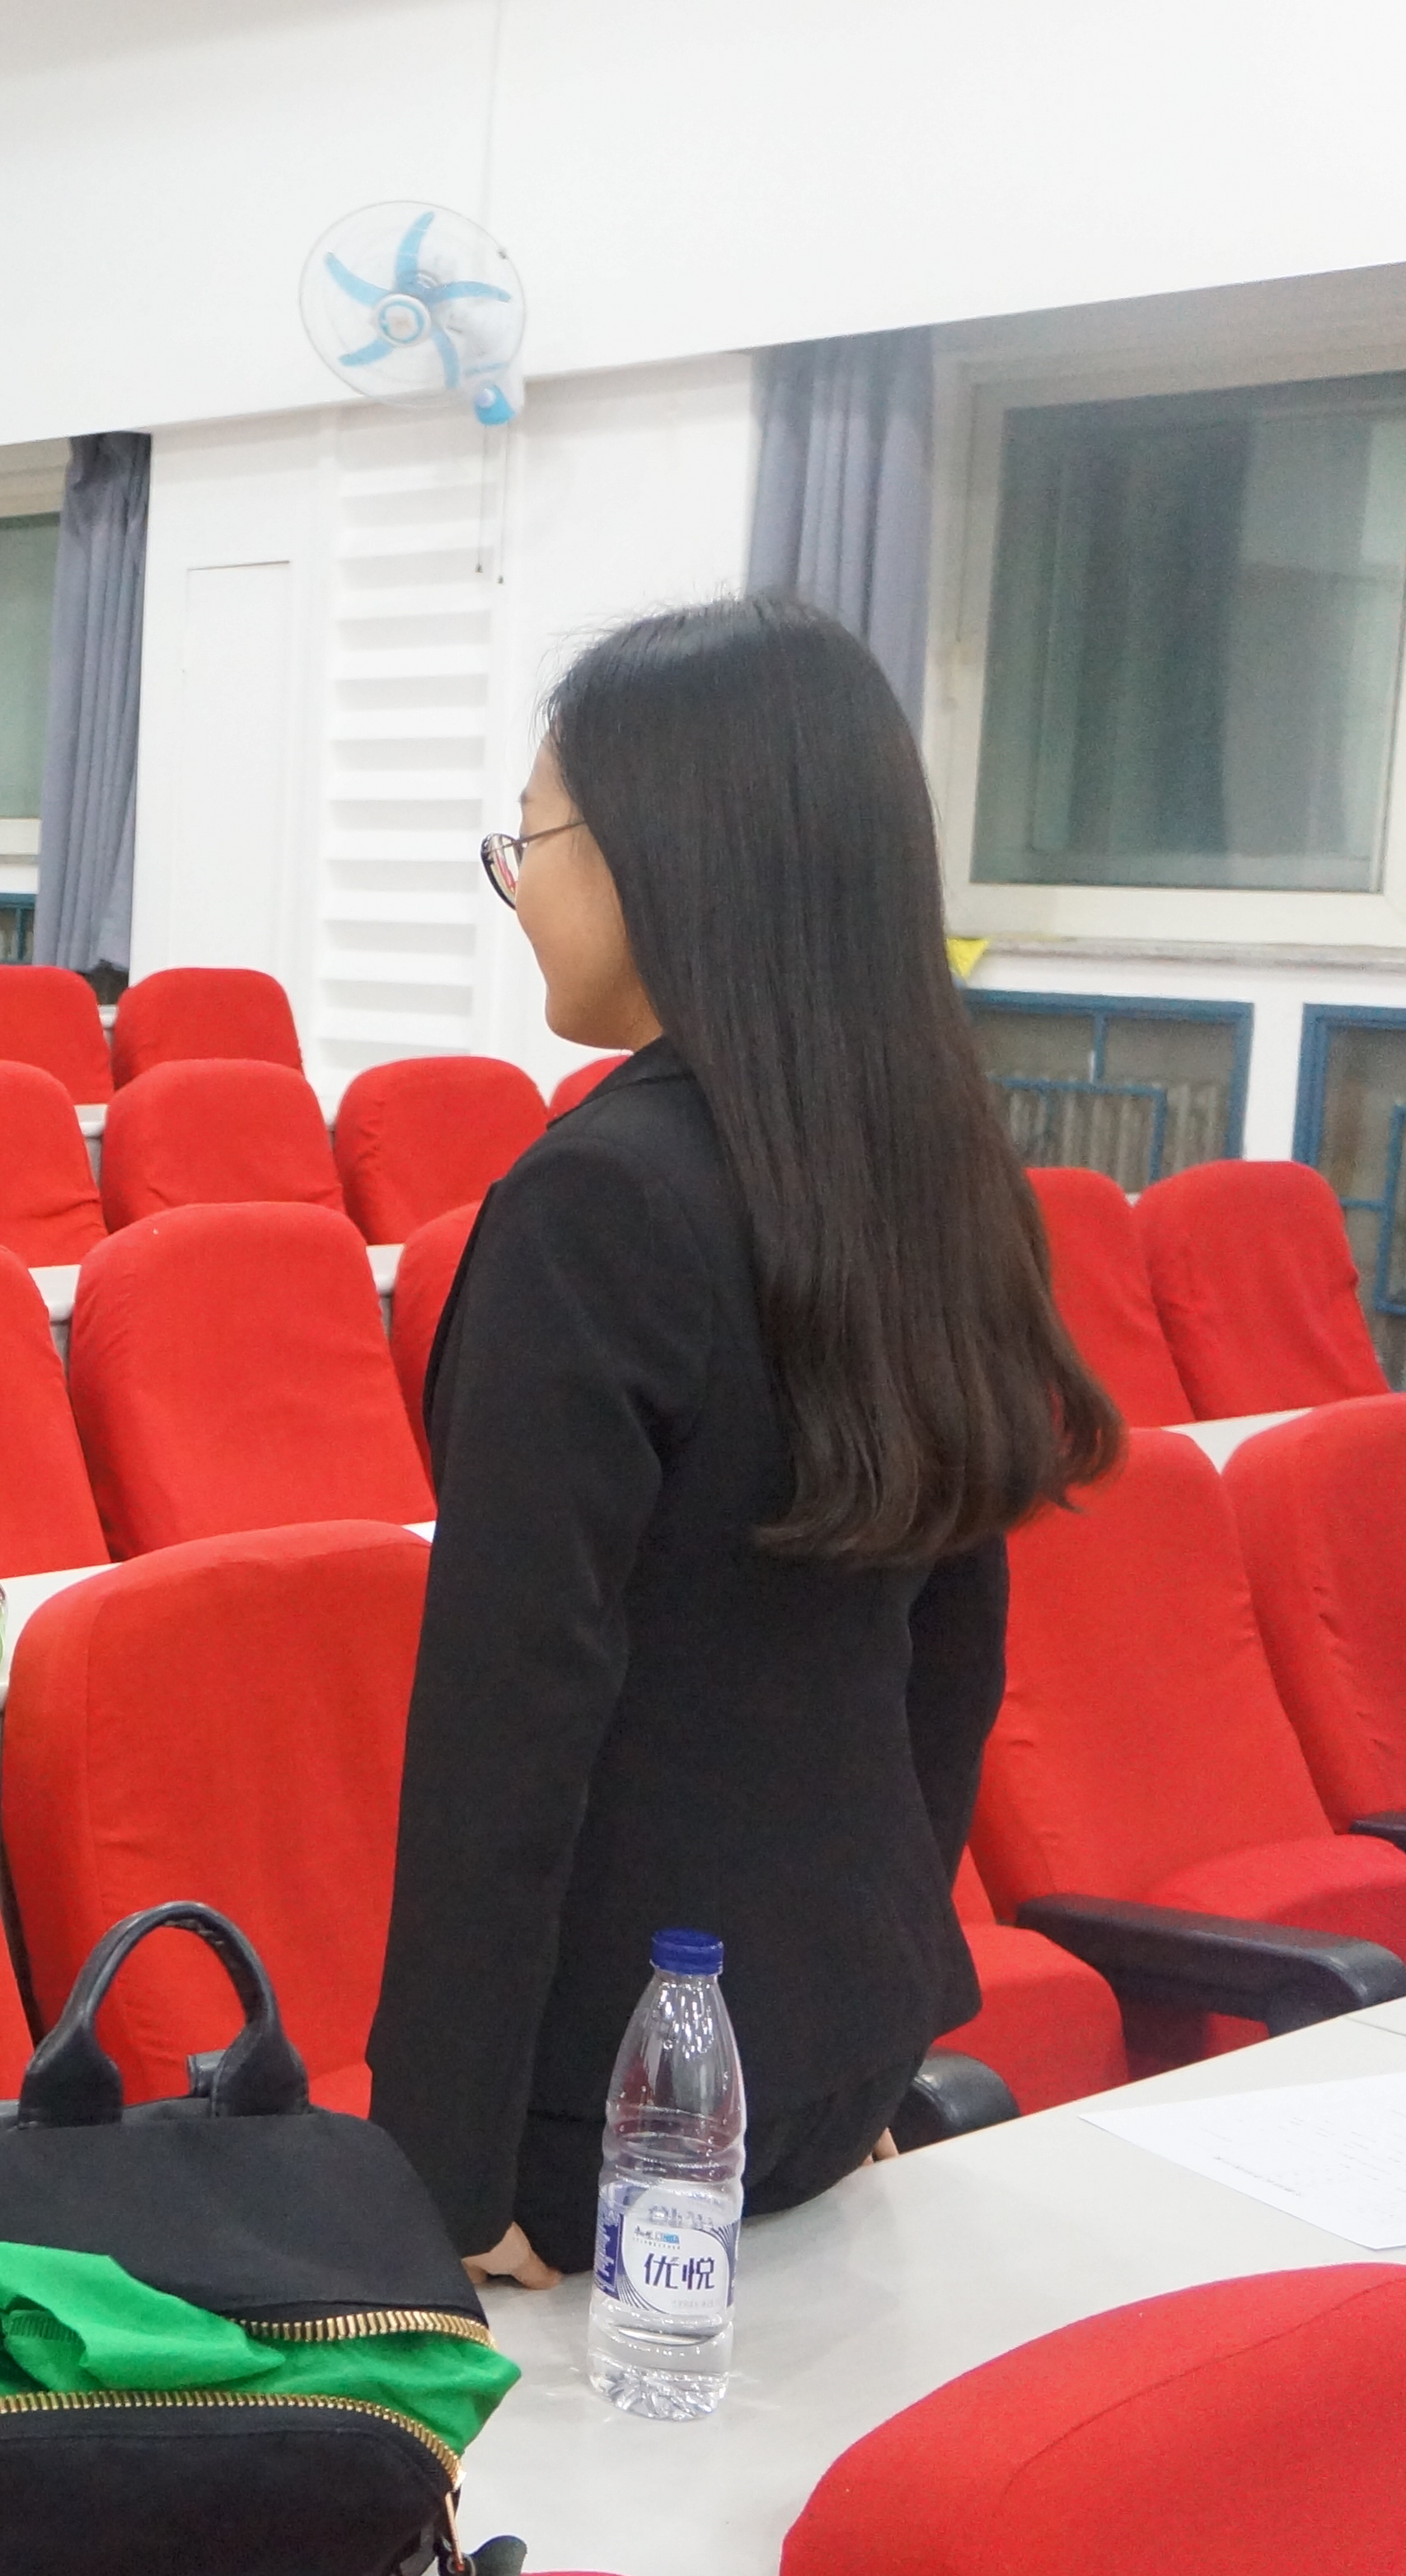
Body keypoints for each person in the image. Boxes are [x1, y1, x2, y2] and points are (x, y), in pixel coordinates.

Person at [366, 596, 1122, 2288]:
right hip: (826, 2062)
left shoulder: (591, 1202)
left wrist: (440, 2170)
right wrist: (868, 2032)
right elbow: (950, 1653)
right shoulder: (928, 1174)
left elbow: (507, 1722)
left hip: (599, 2103)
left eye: (532, 837)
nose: (519, 887)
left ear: (668, 856)